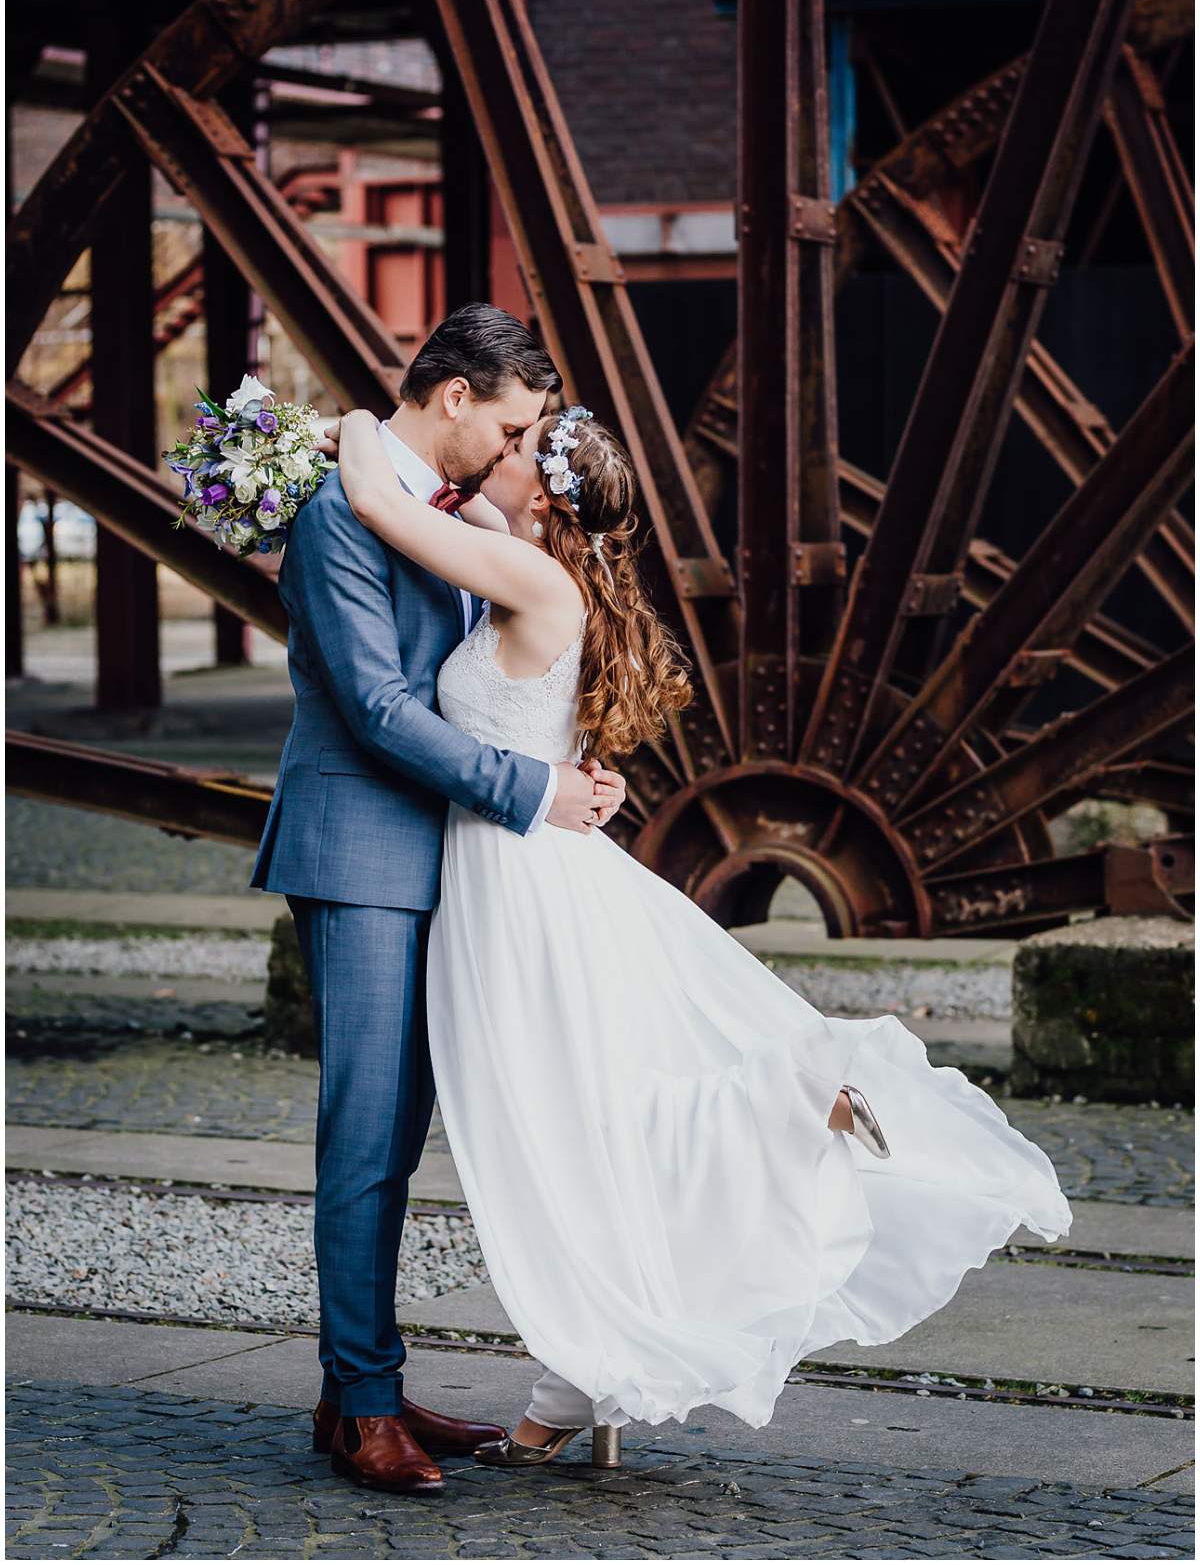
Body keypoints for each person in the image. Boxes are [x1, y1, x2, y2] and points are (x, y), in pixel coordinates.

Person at [319, 392, 1073, 1472]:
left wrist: (348, 421)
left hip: (518, 885)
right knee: (586, 1124)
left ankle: (786, 1108)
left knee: (565, 1131)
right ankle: (571, 1385)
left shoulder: (532, 577)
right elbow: (452, 520)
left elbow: (377, 505)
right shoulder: (538, 560)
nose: (505, 447)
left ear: (545, 490)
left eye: (524, 445)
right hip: (535, 865)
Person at [248, 304, 629, 1496]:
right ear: (455, 396)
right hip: (359, 847)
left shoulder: (440, 514)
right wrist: (534, 790)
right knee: (363, 1140)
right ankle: (365, 1404)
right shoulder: (336, 516)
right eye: (511, 421)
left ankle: (354, 1383)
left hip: (446, 858)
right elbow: (375, 709)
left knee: (400, 1141)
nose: (519, 444)